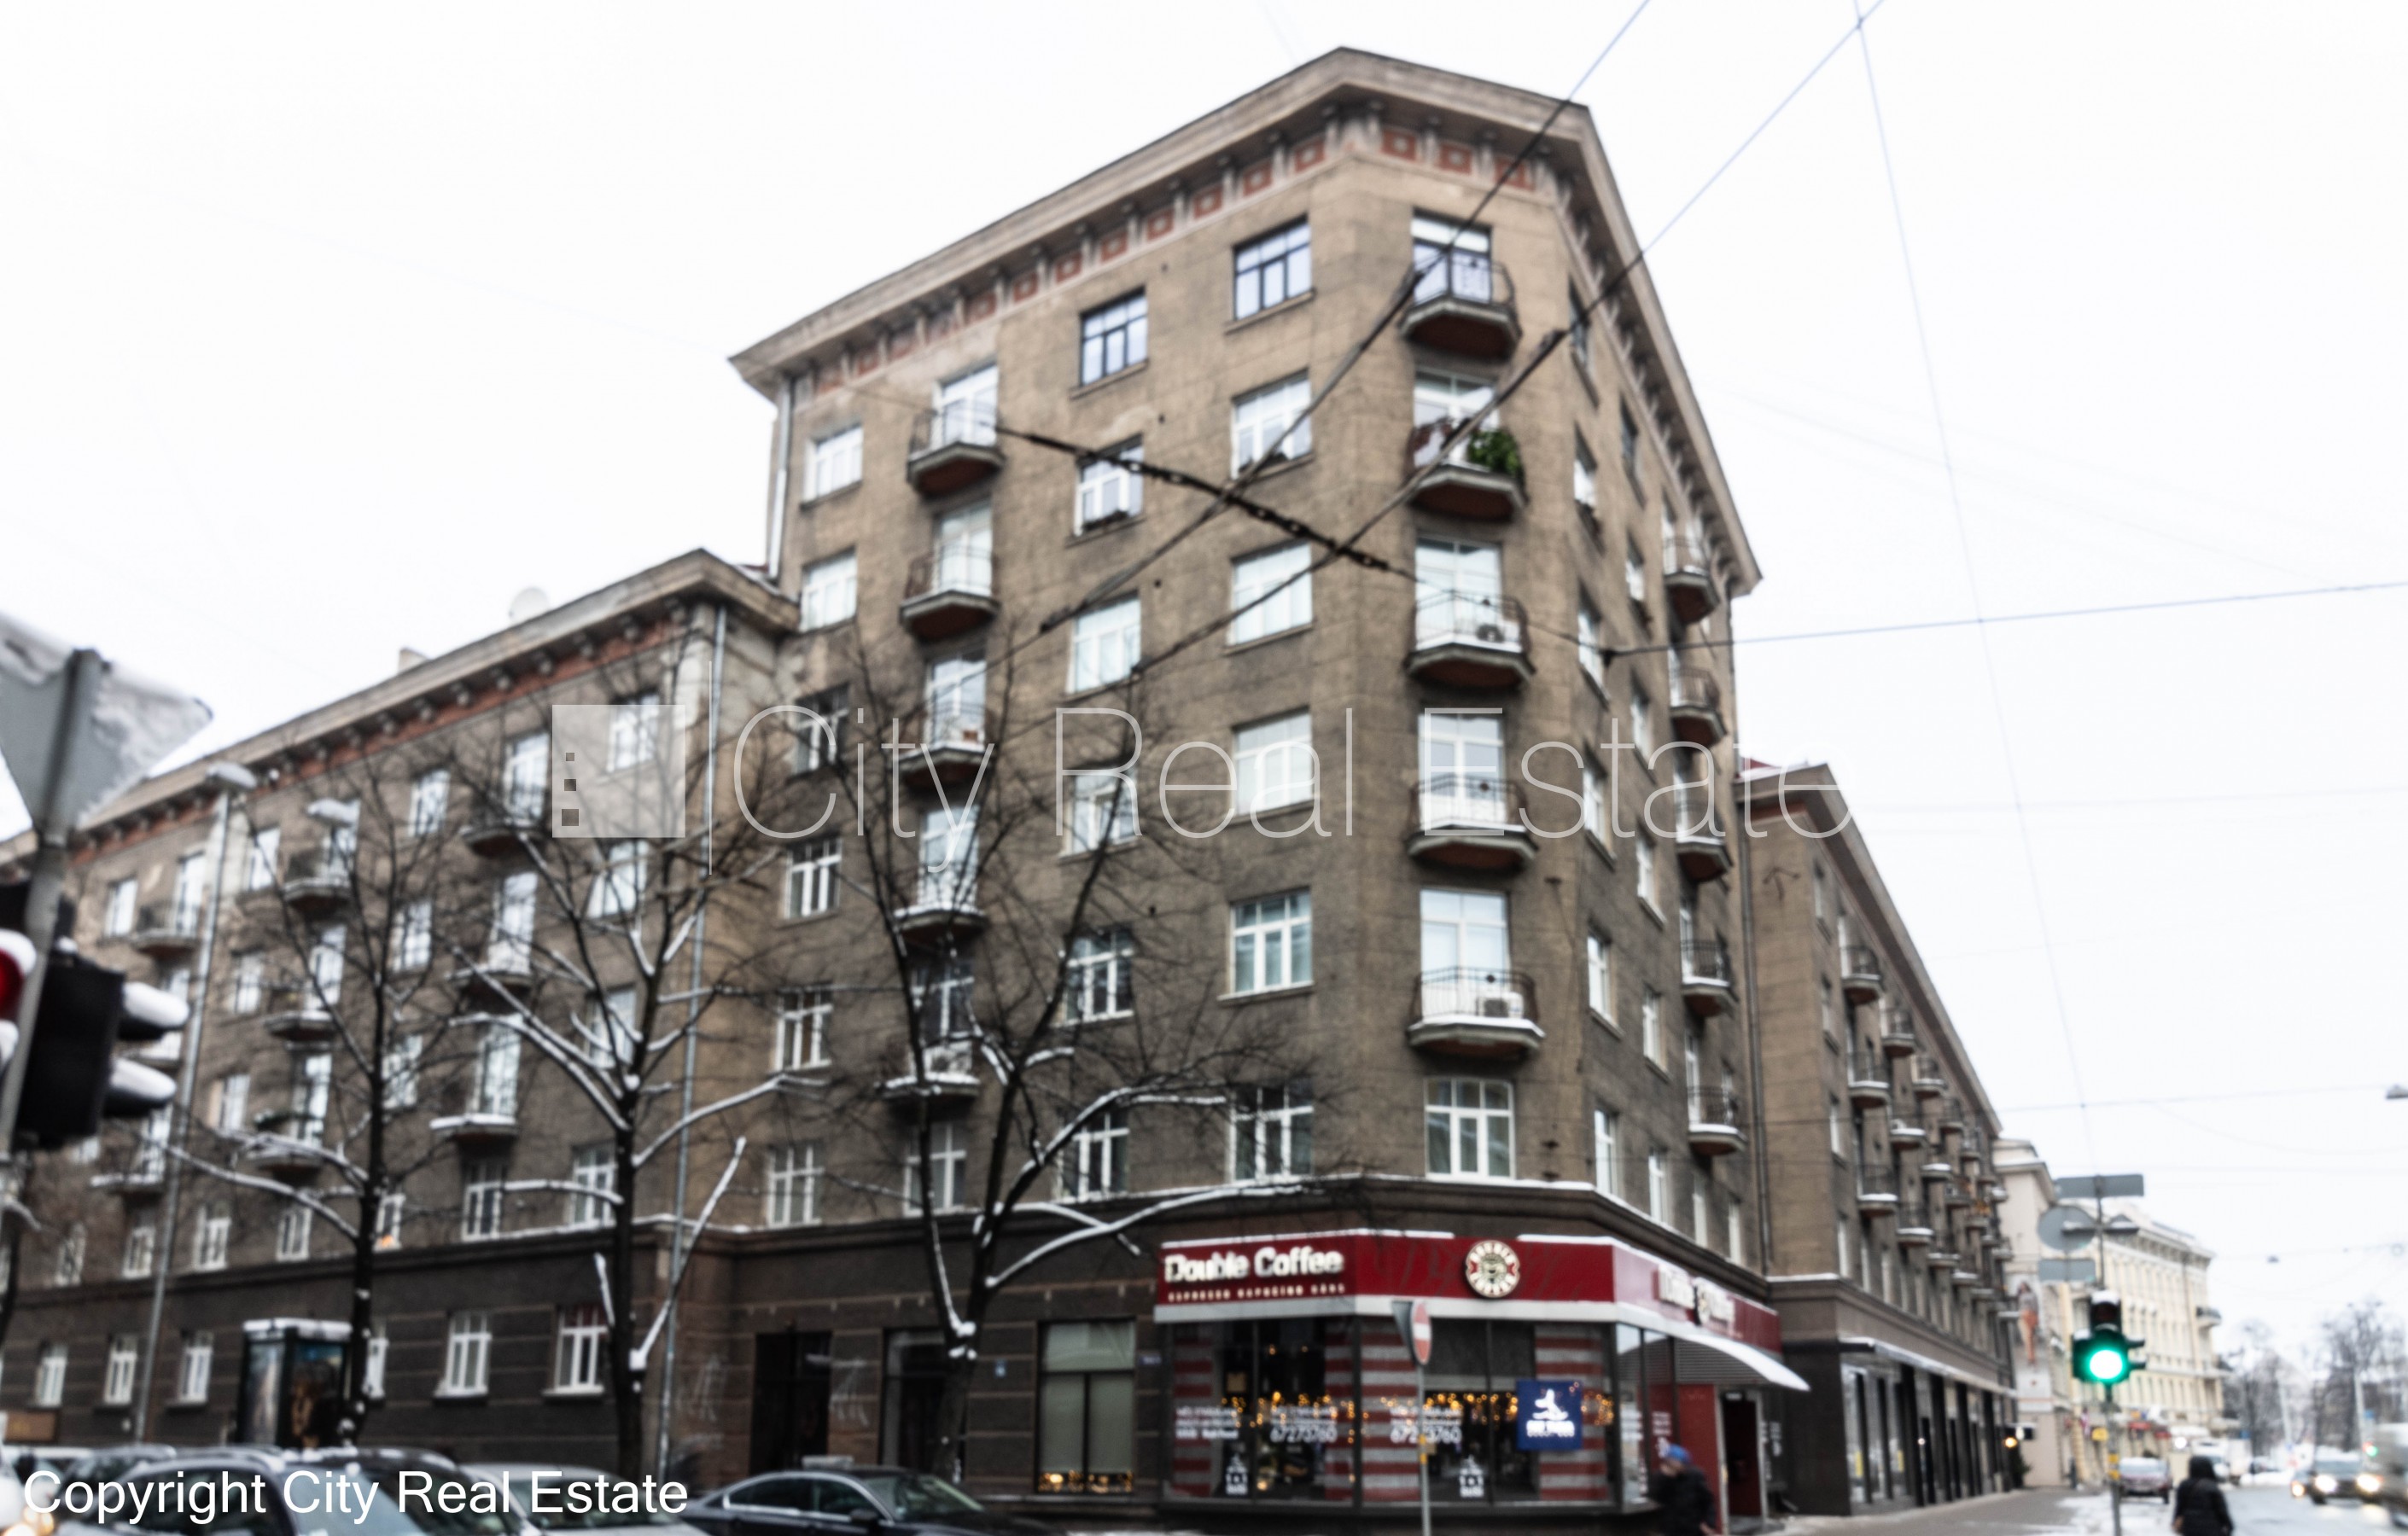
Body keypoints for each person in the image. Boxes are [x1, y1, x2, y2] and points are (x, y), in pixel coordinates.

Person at [1649, 1445, 1719, 1536]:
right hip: (1671, 1529)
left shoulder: (1695, 1475)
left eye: (1682, 1463)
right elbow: (1655, 1498)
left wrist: (1709, 1523)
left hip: (1694, 1528)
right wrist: (1665, 1478)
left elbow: (1708, 1501)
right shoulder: (1661, 1477)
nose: (1679, 1466)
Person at [2172, 1455, 2233, 1536]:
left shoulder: (2184, 1486)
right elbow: (2221, 1510)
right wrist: (2229, 1527)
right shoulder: (2212, 1486)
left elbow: (2179, 1507)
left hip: (2190, 1528)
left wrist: (2175, 1521)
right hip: (2211, 1529)